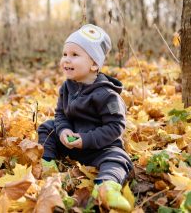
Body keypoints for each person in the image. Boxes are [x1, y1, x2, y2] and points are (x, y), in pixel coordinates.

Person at [37, 24, 133, 211]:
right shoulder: (67, 87)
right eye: (65, 54)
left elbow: (115, 127)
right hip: (71, 141)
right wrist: (63, 130)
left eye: (74, 55)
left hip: (99, 147)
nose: (66, 60)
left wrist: (86, 139)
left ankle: (106, 187)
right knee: (47, 128)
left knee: (119, 158)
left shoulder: (107, 95)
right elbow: (60, 114)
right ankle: (48, 165)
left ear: (94, 64)